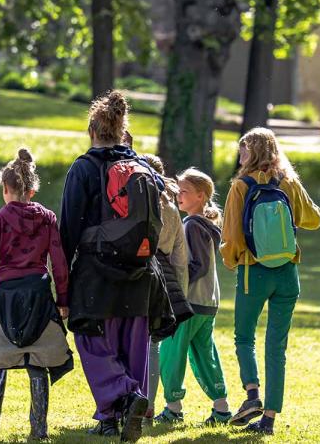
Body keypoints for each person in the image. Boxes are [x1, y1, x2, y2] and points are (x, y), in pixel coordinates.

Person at [59, 91, 172, 441]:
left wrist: (62, 281)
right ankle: (116, 417)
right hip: (141, 269)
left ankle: (123, 398)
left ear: (93, 130)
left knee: (92, 340)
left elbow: (69, 227)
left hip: (96, 271)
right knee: (133, 343)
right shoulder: (143, 169)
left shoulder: (84, 168)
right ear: (123, 130)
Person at [222, 128, 320, 435]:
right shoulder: (288, 181)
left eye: (243, 151)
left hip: (254, 272)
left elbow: (231, 237)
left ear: (251, 152)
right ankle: (268, 420)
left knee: (244, 337)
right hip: (288, 273)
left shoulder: (241, 186)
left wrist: (231, 261)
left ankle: (252, 394)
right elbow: (314, 219)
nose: (240, 157)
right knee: (277, 347)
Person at [0, 148, 71, 440]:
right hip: (39, 294)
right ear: (33, 190)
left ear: (5, 189)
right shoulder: (48, 218)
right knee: (37, 361)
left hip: (5, 297)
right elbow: (59, 262)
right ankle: (39, 427)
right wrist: (63, 299)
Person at [156, 167, 231, 427]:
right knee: (204, 354)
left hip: (190, 303)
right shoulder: (205, 224)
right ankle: (221, 408)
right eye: (178, 189)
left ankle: (173, 408)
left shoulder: (191, 225)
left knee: (170, 352)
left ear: (201, 196)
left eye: (185, 191)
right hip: (208, 303)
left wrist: (173, 285)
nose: (179, 194)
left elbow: (195, 264)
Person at [138, 153, 193, 425]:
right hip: (166, 276)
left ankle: (133, 401)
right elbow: (180, 256)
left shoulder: (141, 203)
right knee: (153, 344)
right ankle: (148, 405)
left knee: (135, 340)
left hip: (141, 270)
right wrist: (179, 296)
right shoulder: (172, 207)